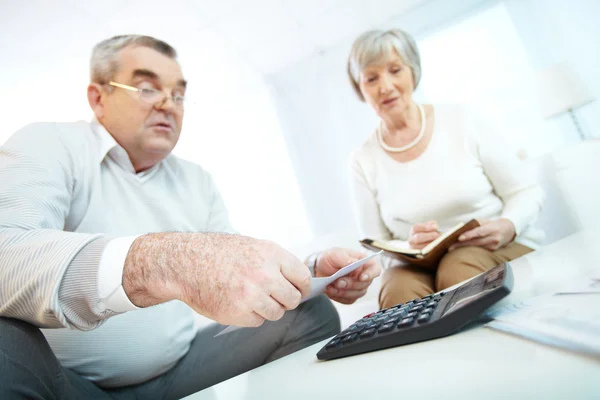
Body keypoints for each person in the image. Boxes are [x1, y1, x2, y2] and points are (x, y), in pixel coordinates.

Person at [0, 35, 381, 399]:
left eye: (178, 94)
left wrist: (311, 270)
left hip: (181, 372)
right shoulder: (49, 145)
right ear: (98, 98)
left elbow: (239, 265)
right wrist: (161, 263)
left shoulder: (196, 181)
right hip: (71, 386)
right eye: (147, 88)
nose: (168, 103)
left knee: (305, 311)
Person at [345, 29, 544, 310]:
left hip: (497, 248)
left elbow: (525, 192)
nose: (385, 86)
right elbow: (377, 247)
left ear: (413, 72)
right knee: (397, 286)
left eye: (395, 70)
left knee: (458, 266)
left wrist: (507, 225)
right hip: (420, 266)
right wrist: (409, 249)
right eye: (372, 78)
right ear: (360, 88)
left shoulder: (463, 119)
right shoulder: (362, 160)